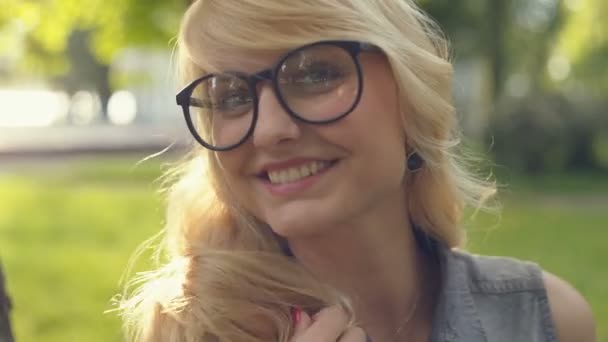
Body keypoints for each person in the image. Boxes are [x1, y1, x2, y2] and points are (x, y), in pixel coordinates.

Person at [119, 1, 596, 341]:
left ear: (412, 93)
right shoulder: (189, 330)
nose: (267, 131)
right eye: (231, 96)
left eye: (314, 74)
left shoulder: (543, 319)